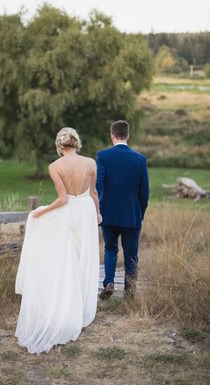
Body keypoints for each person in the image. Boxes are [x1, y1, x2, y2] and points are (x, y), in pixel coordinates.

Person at [15, 127, 101, 354]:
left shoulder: (55, 166)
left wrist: (41, 212)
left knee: (67, 257)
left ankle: (67, 305)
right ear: (77, 143)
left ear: (59, 146)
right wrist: (98, 213)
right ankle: (80, 306)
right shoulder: (91, 163)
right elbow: (93, 194)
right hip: (87, 213)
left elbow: (63, 199)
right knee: (84, 258)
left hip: (69, 212)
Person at [96, 120, 149, 300]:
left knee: (110, 249)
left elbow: (98, 185)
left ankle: (109, 282)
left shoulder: (102, 156)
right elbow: (145, 192)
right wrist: (139, 213)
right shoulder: (140, 159)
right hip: (131, 214)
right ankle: (130, 293)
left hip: (108, 213)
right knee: (131, 254)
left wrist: (98, 211)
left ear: (112, 136)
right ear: (128, 135)